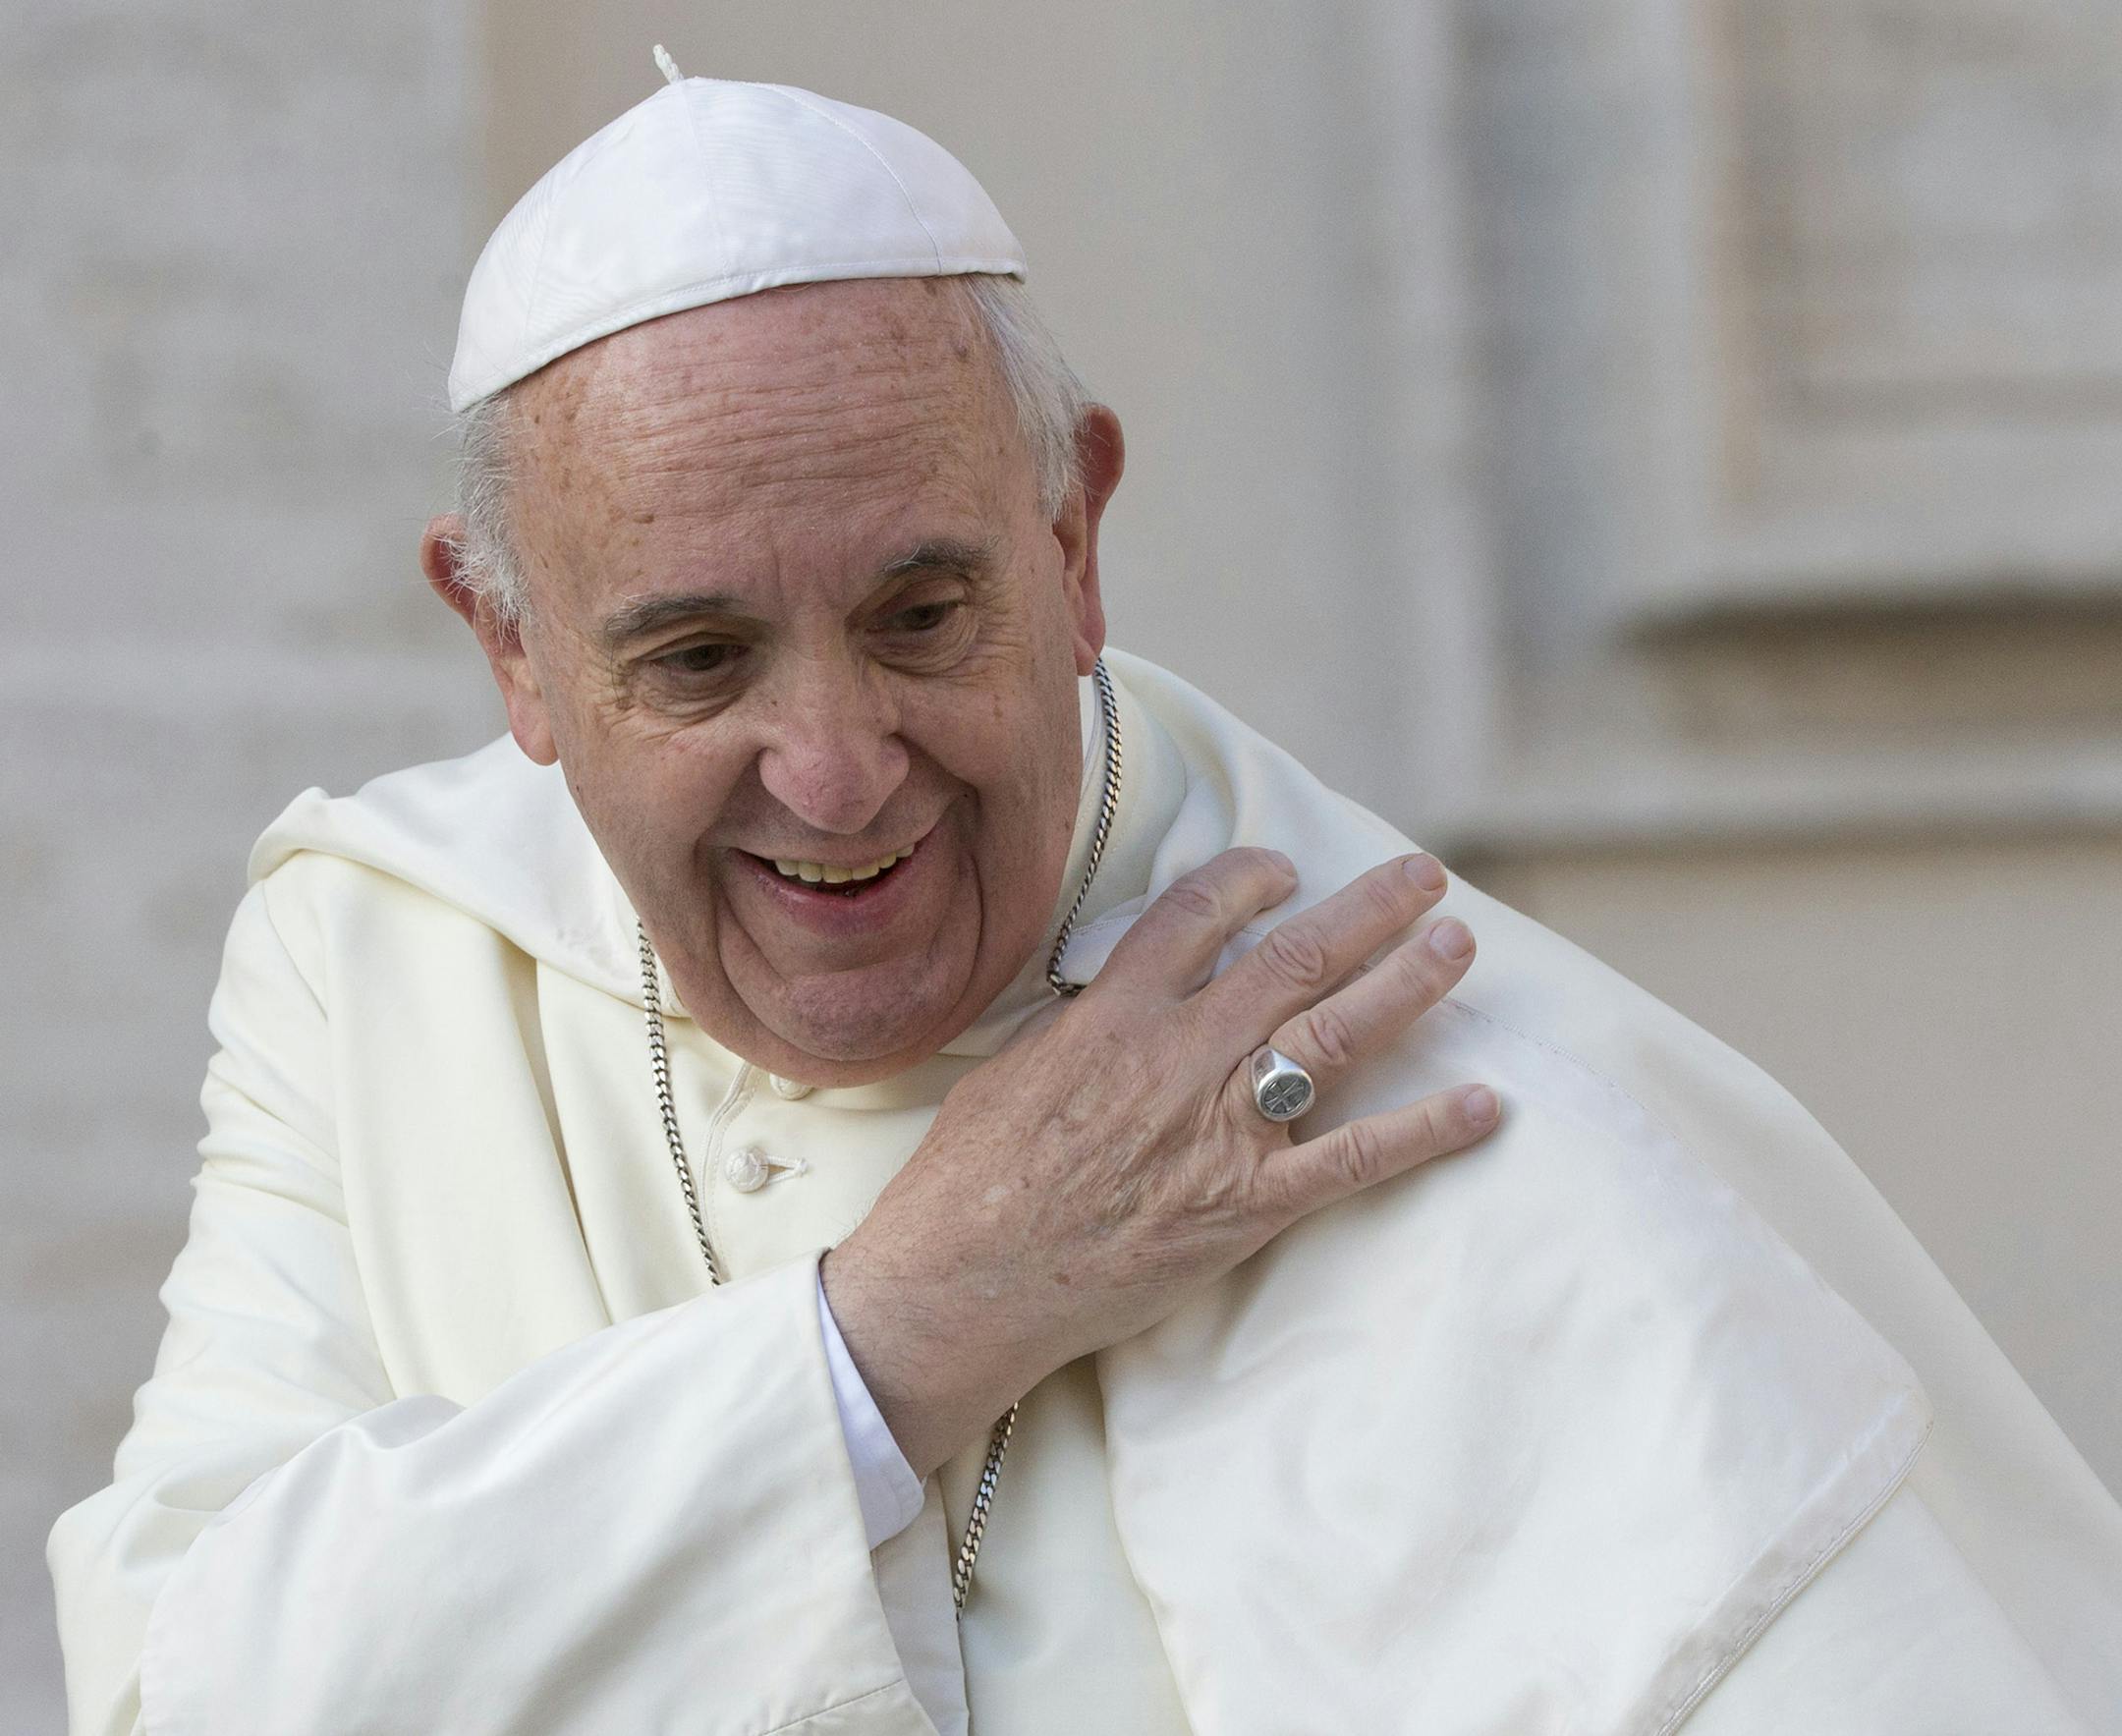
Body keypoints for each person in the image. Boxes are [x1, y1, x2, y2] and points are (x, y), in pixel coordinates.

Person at [48, 58, 2122, 1736]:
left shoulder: (1428, 1083)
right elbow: (178, 1684)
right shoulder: (381, 951)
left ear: (1075, 538)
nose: (835, 769)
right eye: (697, 659)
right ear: (506, 645)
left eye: (920, 615)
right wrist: (894, 1335)